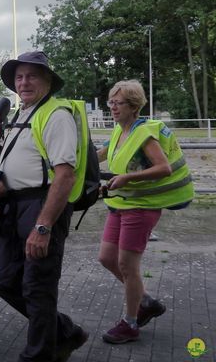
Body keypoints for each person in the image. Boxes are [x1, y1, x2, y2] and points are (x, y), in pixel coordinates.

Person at [0, 51, 88, 362]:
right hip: (15, 206)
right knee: (4, 280)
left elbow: (65, 175)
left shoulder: (56, 114)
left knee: (38, 287)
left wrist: (43, 227)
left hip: (42, 206)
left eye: (32, 75)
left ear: (48, 81)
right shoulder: (24, 114)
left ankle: (39, 355)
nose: (24, 82)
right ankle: (65, 332)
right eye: (19, 77)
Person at [97, 80, 194, 344]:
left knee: (128, 266)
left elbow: (164, 168)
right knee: (107, 258)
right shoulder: (120, 130)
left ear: (134, 106)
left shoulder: (144, 134)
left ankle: (130, 324)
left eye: (118, 103)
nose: (113, 108)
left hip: (141, 209)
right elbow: (100, 155)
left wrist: (128, 178)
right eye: (111, 103)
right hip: (120, 205)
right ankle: (146, 301)